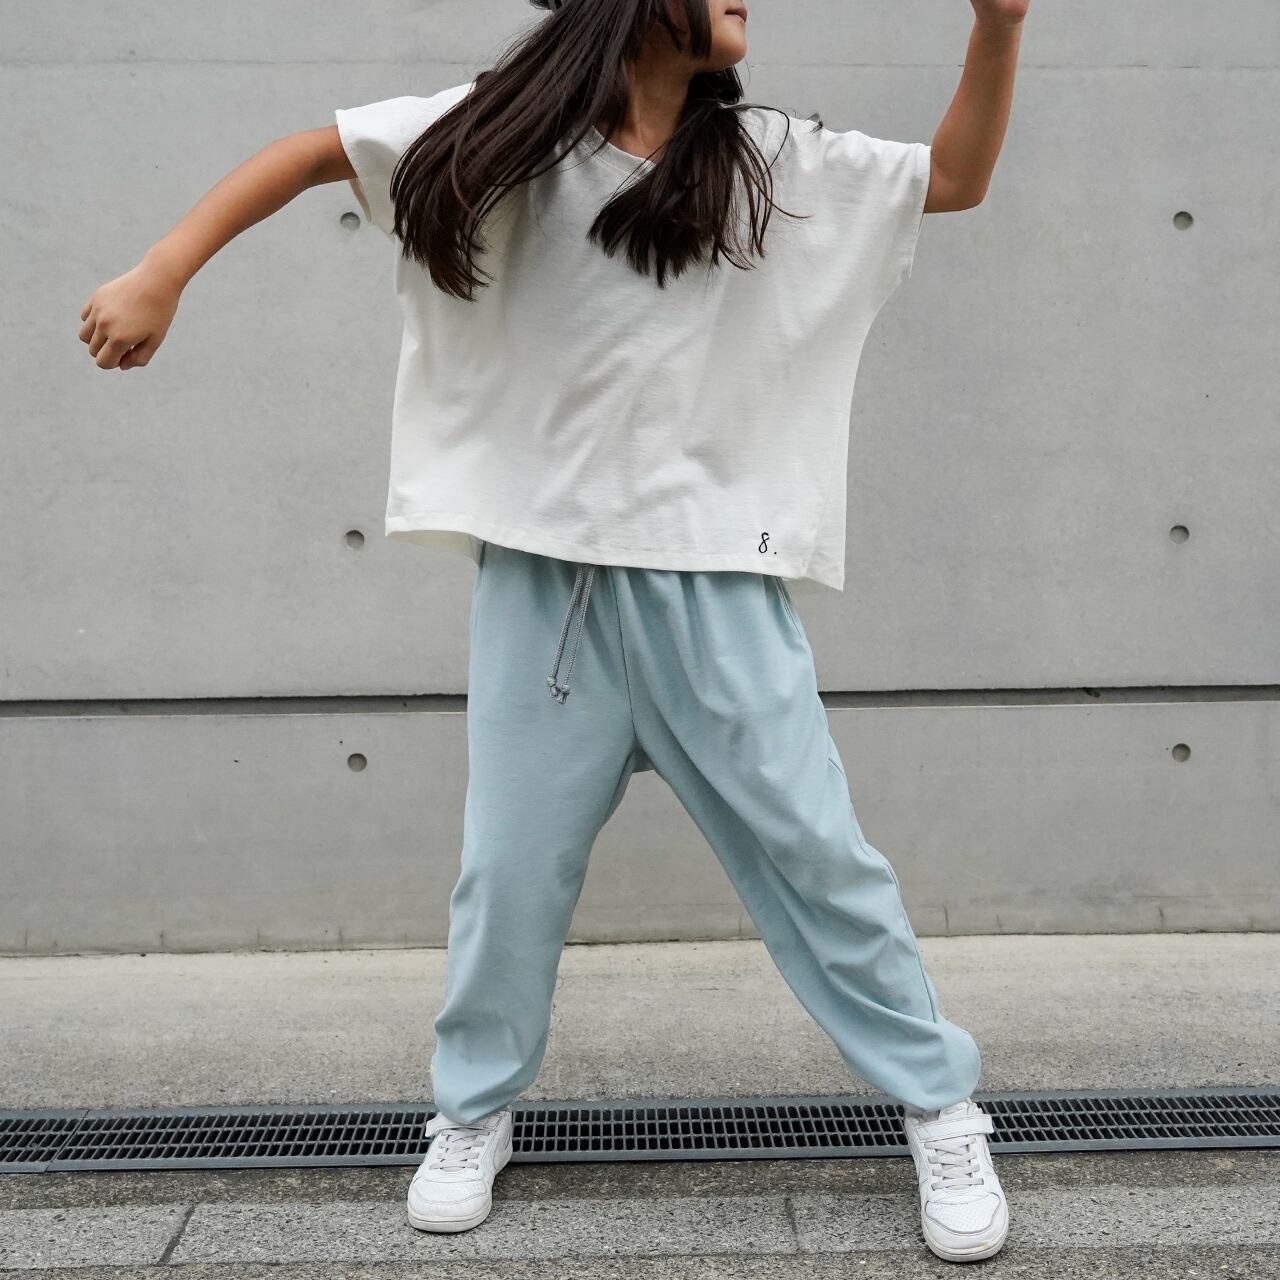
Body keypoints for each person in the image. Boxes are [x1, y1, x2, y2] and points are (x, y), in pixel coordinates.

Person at [78, 0, 1028, 1263]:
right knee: (507, 877)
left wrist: (996, 26)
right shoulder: (504, 142)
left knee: (820, 861)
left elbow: (952, 178)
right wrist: (163, 269)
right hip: (543, 592)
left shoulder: (769, 161)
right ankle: (471, 1110)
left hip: (712, 590)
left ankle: (939, 1105)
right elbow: (313, 152)